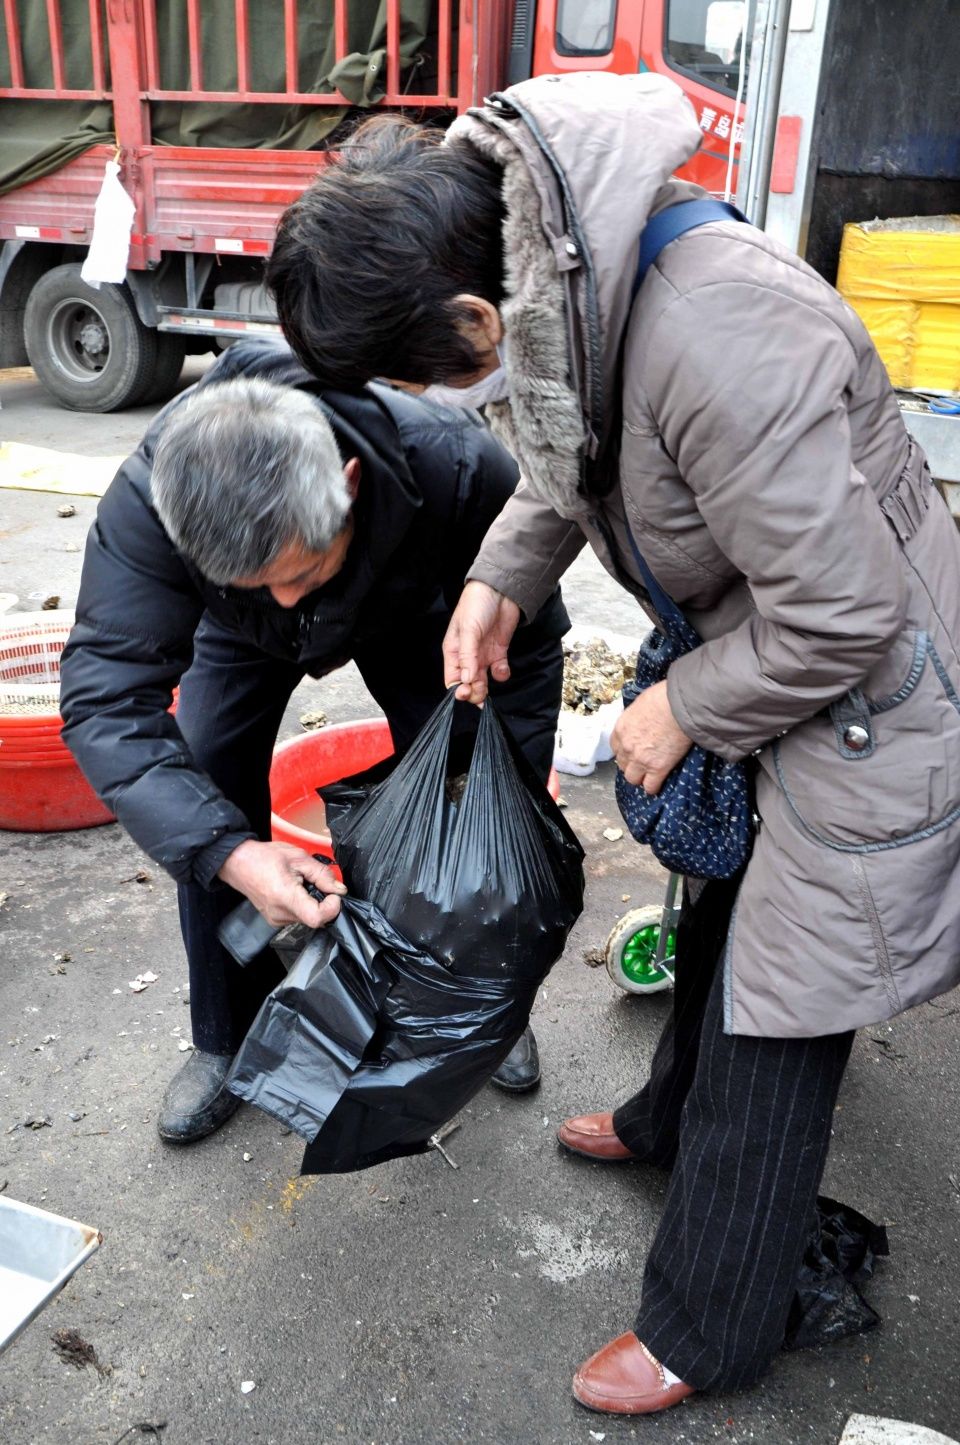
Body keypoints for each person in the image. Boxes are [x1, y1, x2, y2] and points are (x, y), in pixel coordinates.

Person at [265, 74, 960, 1415]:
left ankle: (712, 1323)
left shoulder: (721, 337)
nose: (441, 392)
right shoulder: (562, 280)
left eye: (424, 372)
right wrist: (499, 580)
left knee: (784, 996)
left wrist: (678, 708)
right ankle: (660, 1125)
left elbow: (849, 612)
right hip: (767, 645)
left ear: (475, 316)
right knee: (723, 907)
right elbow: (561, 456)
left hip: (874, 691)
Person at [60, 338, 568, 1142]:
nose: (288, 595)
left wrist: (508, 791)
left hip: (411, 609)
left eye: (300, 570)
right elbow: (105, 700)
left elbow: (527, 648)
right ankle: (226, 1038)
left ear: (348, 483)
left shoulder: (454, 465)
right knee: (206, 787)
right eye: (260, 579)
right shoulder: (151, 502)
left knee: (466, 797)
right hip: (239, 637)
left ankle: (479, 999)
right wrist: (232, 852)